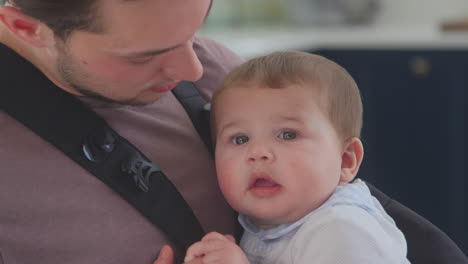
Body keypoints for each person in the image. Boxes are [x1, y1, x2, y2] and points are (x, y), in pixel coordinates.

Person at [0, 0, 242, 263]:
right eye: (143, 57)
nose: (193, 70)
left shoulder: (226, 73)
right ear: (26, 28)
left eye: (194, 33)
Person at [184, 51, 410, 263]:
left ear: (345, 160)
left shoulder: (341, 229)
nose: (258, 153)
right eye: (240, 139)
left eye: (288, 135)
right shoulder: (266, 225)